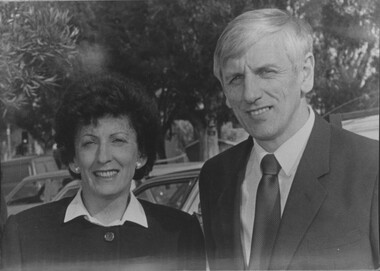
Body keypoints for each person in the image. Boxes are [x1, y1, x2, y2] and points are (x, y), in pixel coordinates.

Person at [199, 8, 379, 270]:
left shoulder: (370, 168)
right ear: (224, 91)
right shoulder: (216, 177)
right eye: (236, 78)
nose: (250, 93)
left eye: (266, 72)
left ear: (305, 73)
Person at [1, 74, 205, 270]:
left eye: (118, 140)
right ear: (73, 159)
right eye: (89, 143)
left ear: (141, 155)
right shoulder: (25, 233)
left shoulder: (180, 232)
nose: (103, 157)